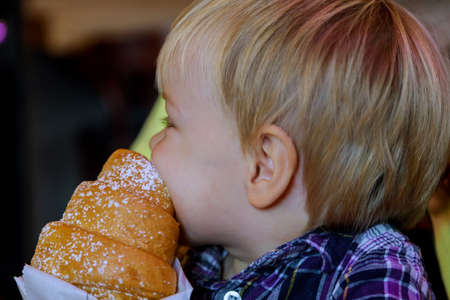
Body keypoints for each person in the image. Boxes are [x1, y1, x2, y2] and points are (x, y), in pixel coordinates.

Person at [146, 0, 450, 298]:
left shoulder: (373, 272)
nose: (151, 142)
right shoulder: (193, 255)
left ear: (264, 165)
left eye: (170, 123)